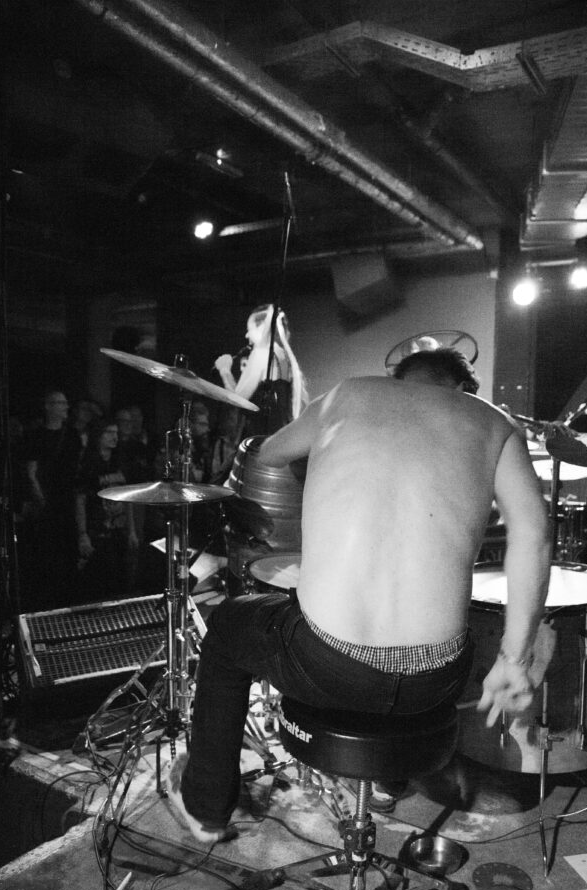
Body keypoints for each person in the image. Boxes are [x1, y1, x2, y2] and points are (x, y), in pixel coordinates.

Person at [168, 348, 552, 842]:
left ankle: (208, 809)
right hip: (436, 678)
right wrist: (515, 660)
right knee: (453, 638)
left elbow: (268, 452)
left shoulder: (348, 394)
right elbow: (535, 539)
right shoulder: (495, 425)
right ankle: (386, 780)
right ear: (464, 390)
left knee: (226, 628)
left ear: (396, 378)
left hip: (327, 664)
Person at [22, 389, 82, 608]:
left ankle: (68, 598)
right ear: (48, 406)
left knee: (68, 550)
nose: (65, 407)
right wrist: (39, 496)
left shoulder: (72, 435)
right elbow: (31, 470)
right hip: (48, 500)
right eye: (60, 403)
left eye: (66, 403)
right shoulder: (36, 435)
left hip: (67, 498)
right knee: (48, 551)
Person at [214, 304, 308, 436]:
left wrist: (224, 370)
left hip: (264, 440)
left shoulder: (262, 353)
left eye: (250, 329)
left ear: (262, 327)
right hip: (283, 437)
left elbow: (238, 399)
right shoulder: (285, 357)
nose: (247, 335)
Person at [75, 418, 138, 601]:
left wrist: (132, 531)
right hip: (97, 530)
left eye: (116, 433)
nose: (114, 437)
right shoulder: (88, 464)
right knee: (99, 579)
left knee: (120, 578)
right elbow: (80, 500)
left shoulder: (120, 462)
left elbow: (129, 497)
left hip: (119, 529)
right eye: (109, 432)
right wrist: (82, 533)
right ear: (98, 435)